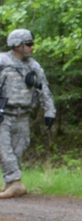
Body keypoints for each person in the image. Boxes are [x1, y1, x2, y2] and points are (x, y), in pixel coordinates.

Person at [0, 29, 57, 199]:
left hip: (23, 114)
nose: (32, 47)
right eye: (29, 44)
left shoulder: (34, 66)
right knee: (3, 148)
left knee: (19, 148)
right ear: (17, 45)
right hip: (4, 114)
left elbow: (44, 89)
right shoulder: (2, 62)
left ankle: (10, 183)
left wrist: (50, 111)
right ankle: (16, 182)